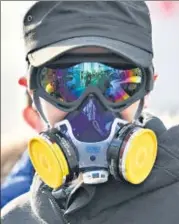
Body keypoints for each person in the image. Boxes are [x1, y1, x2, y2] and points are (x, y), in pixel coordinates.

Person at [2, 2, 179, 224]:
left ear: (148, 89)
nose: (91, 112)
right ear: (33, 94)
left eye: (116, 82)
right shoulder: (14, 219)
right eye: (65, 84)